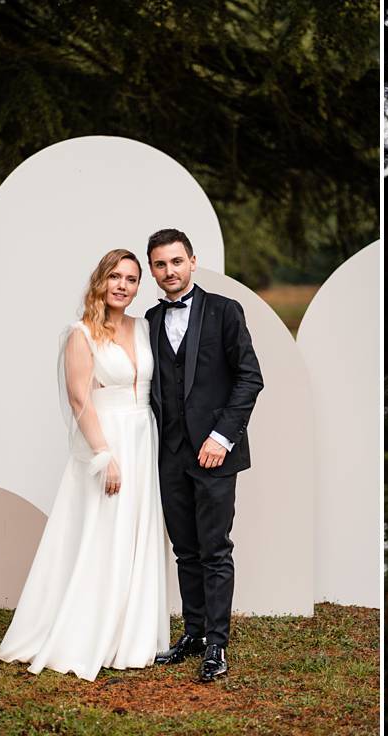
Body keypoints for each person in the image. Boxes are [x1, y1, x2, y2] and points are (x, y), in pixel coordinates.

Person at [0, 249, 169, 681]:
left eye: (131, 279)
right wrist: (103, 455)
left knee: (136, 533)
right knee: (102, 533)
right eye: (115, 276)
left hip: (143, 436)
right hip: (107, 441)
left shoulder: (145, 327)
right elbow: (79, 398)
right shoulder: (80, 333)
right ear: (101, 280)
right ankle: (86, 630)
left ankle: (131, 636)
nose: (123, 285)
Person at [143, 228, 263, 683]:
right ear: (152, 269)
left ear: (193, 261)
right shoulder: (149, 321)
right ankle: (192, 633)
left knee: (215, 548)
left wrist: (222, 437)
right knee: (185, 549)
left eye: (176, 261)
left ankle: (217, 644)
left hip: (215, 452)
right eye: (160, 264)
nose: (169, 271)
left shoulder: (225, 312)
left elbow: (249, 378)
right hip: (170, 452)